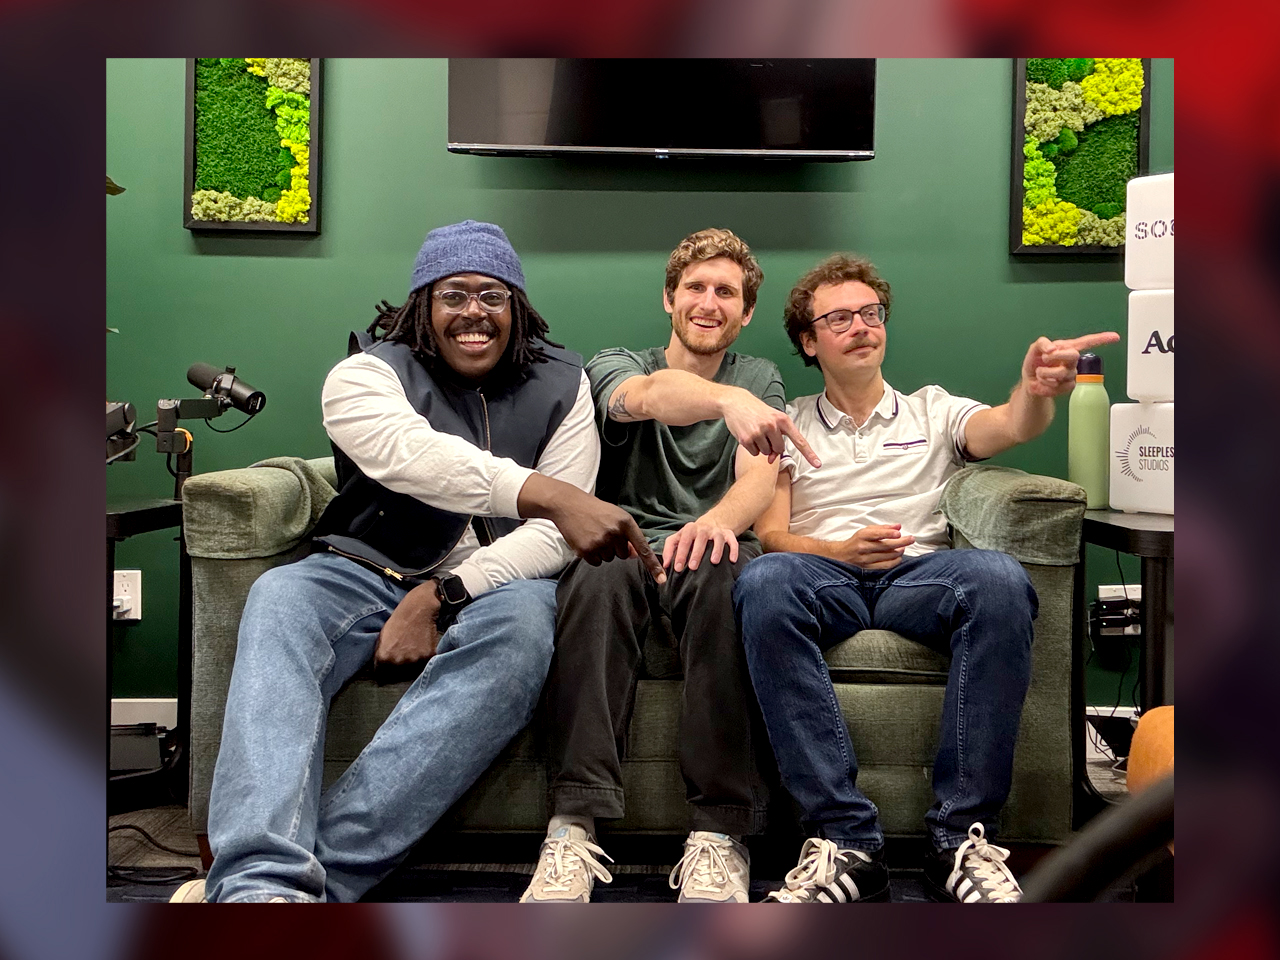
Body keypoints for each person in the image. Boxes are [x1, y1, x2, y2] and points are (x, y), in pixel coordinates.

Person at [172, 219, 662, 903]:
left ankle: (307, 883)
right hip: (364, 563)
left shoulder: (565, 381)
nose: (473, 312)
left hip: (500, 582)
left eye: (493, 295)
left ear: (517, 307)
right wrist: (548, 494)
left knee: (526, 631)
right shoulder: (365, 373)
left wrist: (443, 594)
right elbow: (416, 457)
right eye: (453, 294)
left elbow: (553, 539)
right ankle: (261, 889)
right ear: (422, 306)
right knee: (280, 597)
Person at [732, 253, 1118, 904]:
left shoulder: (933, 411)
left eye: (871, 313)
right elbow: (772, 535)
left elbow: (1008, 425)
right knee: (763, 582)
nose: (862, 326)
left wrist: (1033, 391)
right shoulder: (786, 422)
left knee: (999, 578)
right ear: (808, 340)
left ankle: (960, 841)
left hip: (920, 578)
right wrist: (841, 550)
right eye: (839, 318)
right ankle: (846, 841)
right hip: (824, 576)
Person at [520, 228, 821, 904]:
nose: (708, 303)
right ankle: (572, 828)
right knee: (596, 574)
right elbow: (649, 397)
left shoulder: (758, 378)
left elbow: (758, 476)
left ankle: (719, 834)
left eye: (726, 293)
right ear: (669, 297)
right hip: (625, 539)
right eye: (695, 288)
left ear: (745, 312)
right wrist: (722, 401)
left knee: (724, 575)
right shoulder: (616, 363)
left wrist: (716, 523)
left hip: (710, 543)